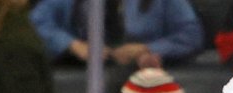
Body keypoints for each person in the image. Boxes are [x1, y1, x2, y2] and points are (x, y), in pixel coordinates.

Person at [30, 0, 203, 67]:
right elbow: (35, 22)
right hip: (89, 74)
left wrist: (147, 48)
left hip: (141, 74)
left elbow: (191, 34)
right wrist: (72, 44)